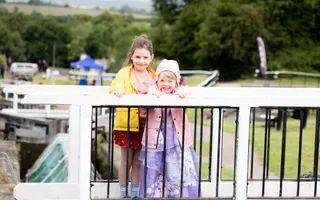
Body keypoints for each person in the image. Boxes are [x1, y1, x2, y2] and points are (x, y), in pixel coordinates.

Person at [139, 59, 199, 198]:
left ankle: (176, 194)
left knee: (175, 166)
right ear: (157, 80)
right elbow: (143, 110)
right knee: (154, 166)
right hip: (157, 138)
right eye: (162, 80)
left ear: (176, 81)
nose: (166, 84)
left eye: (170, 81)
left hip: (175, 138)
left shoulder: (180, 92)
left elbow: (190, 93)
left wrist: (182, 95)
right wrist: (152, 99)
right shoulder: (152, 91)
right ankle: (153, 194)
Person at [109, 34, 156, 198]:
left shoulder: (154, 76)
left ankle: (135, 194)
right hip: (128, 124)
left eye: (145, 57)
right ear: (131, 57)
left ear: (151, 58)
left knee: (137, 162)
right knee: (126, 161)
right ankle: (123, 193)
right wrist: (118, 91)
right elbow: (116, 84)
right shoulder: (124, 73)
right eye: (137, 57)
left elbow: (165, 88)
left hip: (147, 125)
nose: (141, 61)